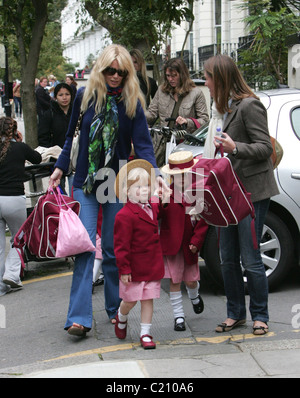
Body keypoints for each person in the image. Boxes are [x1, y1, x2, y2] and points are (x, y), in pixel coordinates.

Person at [49, 44, 164, 337]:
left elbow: (144, 145)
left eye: (121, 71)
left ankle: (115, 310)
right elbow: (70, 136)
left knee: (114, 250)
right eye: (110, 70)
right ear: (101, 70)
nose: (115, 76)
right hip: (86, 183)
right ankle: (79, 318)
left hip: (116, 182)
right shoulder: (84, 97)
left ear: (128, 73)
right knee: (85, 247)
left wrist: (155, 175)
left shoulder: (132, 102)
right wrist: (61, 165)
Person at [203, 54, 279, 335]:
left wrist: (236, 148)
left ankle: (260, 316)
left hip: (251, 193)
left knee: (251, 258)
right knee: (227, 258)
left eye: (209, 78)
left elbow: (264, 148)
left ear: (220, 78)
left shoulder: (250, 105)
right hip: (227, 195)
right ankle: (235, 314)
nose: (206, 83)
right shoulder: (223, 109)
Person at [113, 160, 170, 349]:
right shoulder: (124, 215)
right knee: (130, 301)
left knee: (147, 300)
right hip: (134, 269)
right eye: (137, 187)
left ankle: (145, 333)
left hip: (152, 265)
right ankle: (121, 316)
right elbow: (121, 247)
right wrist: (124, 270)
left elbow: (160, 209)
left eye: (146, 186)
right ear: (127, 192)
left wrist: (164, 197)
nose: (143, 190)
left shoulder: (152, 206)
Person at [160, 151, 208, 331]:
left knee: (190, 281)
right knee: (174, 281)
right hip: (172, 245)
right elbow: (158, 215)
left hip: (190, 245)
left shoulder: (197, 193)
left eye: (185, 174)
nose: (181, 178)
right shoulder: (166, 193)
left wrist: (197, 241)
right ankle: (178, 317)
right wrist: (162, 202)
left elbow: (204, 220)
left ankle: (195, 296)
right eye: (176, 175)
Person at [0, 117, 42, 296]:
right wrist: (20, 141)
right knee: (18, 240)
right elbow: (37, 159)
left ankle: (2, 287)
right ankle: (11, 274)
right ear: (15, 131)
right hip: (14, 198)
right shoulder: (19, 147)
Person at [145, 57, 209, 167]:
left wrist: (187, 122)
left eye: (174, 75)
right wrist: (137, 111)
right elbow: (151, 114)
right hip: (161, 145)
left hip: (184, 146)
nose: (170, 79)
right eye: (168, 76)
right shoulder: (161, 91)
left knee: (180, 180)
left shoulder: (196, 93)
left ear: (182, 74)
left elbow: (205, 121)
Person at [38, 82, 73, 148]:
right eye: (61, 95)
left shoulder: (76, 113)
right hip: (55, 154)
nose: (64, 98)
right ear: (55, 97)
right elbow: (42, 137)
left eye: (67, 94)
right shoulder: (49, 114)